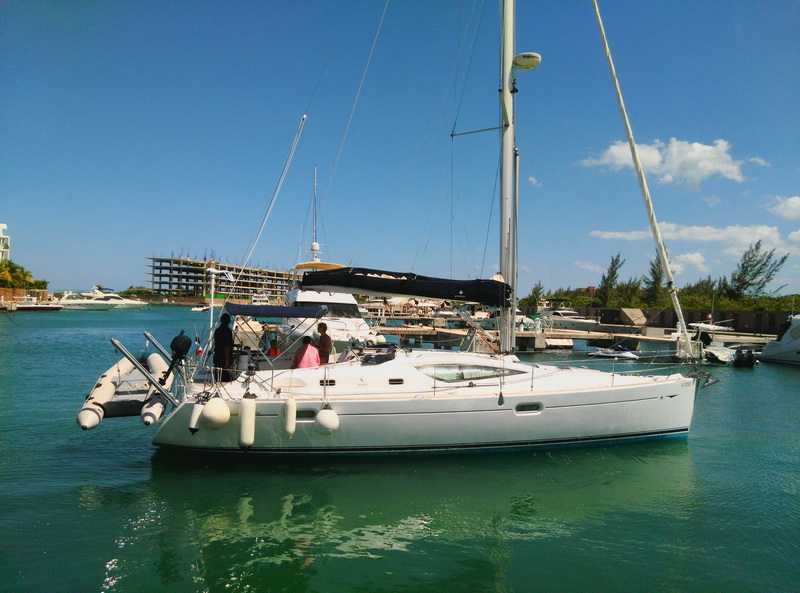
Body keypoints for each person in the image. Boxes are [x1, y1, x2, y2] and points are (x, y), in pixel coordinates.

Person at [213, 313, 234, 381]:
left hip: (217, 356)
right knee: (224, 376)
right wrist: (227, 361)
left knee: (217, 375)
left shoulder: (217, 331)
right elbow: (227, 347)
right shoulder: (227, 332)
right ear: (228, 321)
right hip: (223, 359)